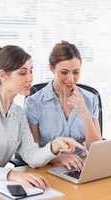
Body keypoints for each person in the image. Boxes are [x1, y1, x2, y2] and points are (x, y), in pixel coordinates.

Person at [0, 45, 85, 189]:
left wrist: (54, 146)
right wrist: (10, 174)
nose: (30, 78)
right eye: (22, 73)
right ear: (3, 75)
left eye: (31, 71)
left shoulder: (18, 113)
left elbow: (32, 157)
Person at [26, 41, 102, 171]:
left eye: (76, 72)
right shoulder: (34, 103)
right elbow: (32, 152)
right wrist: (57, 158)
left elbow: (97, 150)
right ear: (52, 68)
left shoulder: (90, 99)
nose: (71, 79)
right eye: (64, 72)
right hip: (49, 168)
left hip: (82, 168)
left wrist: (84, 112)